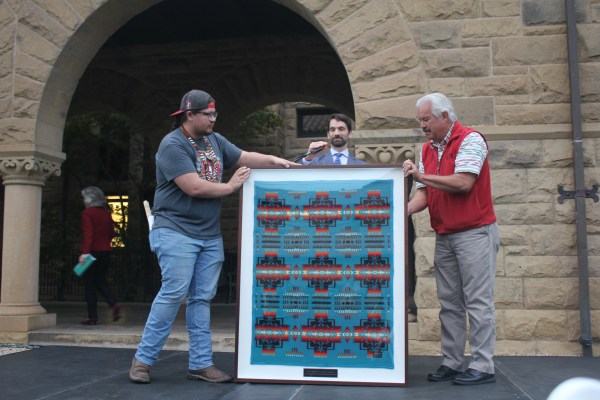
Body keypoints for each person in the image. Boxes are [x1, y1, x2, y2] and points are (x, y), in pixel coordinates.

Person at [129, 89, 295, 384]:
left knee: (202, 299)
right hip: (176, 231)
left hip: (208, 236)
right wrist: (231, 187)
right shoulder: (172, 145)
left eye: (215, 113)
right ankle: (142, 361)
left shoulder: (214, 141)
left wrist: (276, 160)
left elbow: (245, 156)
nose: (213, 119)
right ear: (189, 114)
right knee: (173, 294)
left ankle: (201, 364)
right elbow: (193, 187)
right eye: (208, 114)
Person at [403, 92, 499, 386]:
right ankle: (453, 362)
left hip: (474, 233)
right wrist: (402, 211)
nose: (422, 125)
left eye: (426, 119)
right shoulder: (427, 149)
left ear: (445, 116)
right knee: (449, 303)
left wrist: (421, 175)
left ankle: (483, 365)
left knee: (478, 302)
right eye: (420, 120)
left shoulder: (470, 139)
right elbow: (424, 193)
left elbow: (462, 182)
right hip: (445, 234)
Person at [78, 186, 121, 325]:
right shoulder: (106, 213)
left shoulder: (87, 213)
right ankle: (113, 304)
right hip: (105, 251)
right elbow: (112, 234)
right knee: (101, 281)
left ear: (89, 200)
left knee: (89, 285)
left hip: (91, 252)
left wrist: (85, 253)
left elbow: (88, 235)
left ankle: (92, 317)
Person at [301, 113, 367, 165]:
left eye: (341, 129)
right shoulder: (314, 162)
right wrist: (308, 158)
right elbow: (300, 175)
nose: (336, 133)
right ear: (328, 134)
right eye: (332, 129)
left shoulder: (362, 166)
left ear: (349, 134)